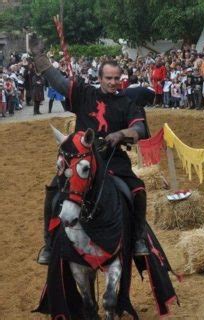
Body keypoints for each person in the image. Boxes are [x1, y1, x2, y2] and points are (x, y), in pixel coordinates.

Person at [29, 34, 150, 264]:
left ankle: (137, 240)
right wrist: (39, 56)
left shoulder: (127, 102)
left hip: (112, 161)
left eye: (117, 78)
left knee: (138, 190)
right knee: (53, 192)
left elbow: (140, 129)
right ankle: (49, 243)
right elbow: (58, 82)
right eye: (109, 78)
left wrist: (120, 134)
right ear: (100, 78)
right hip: (81, 160)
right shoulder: (85, 93)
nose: (113, 82)